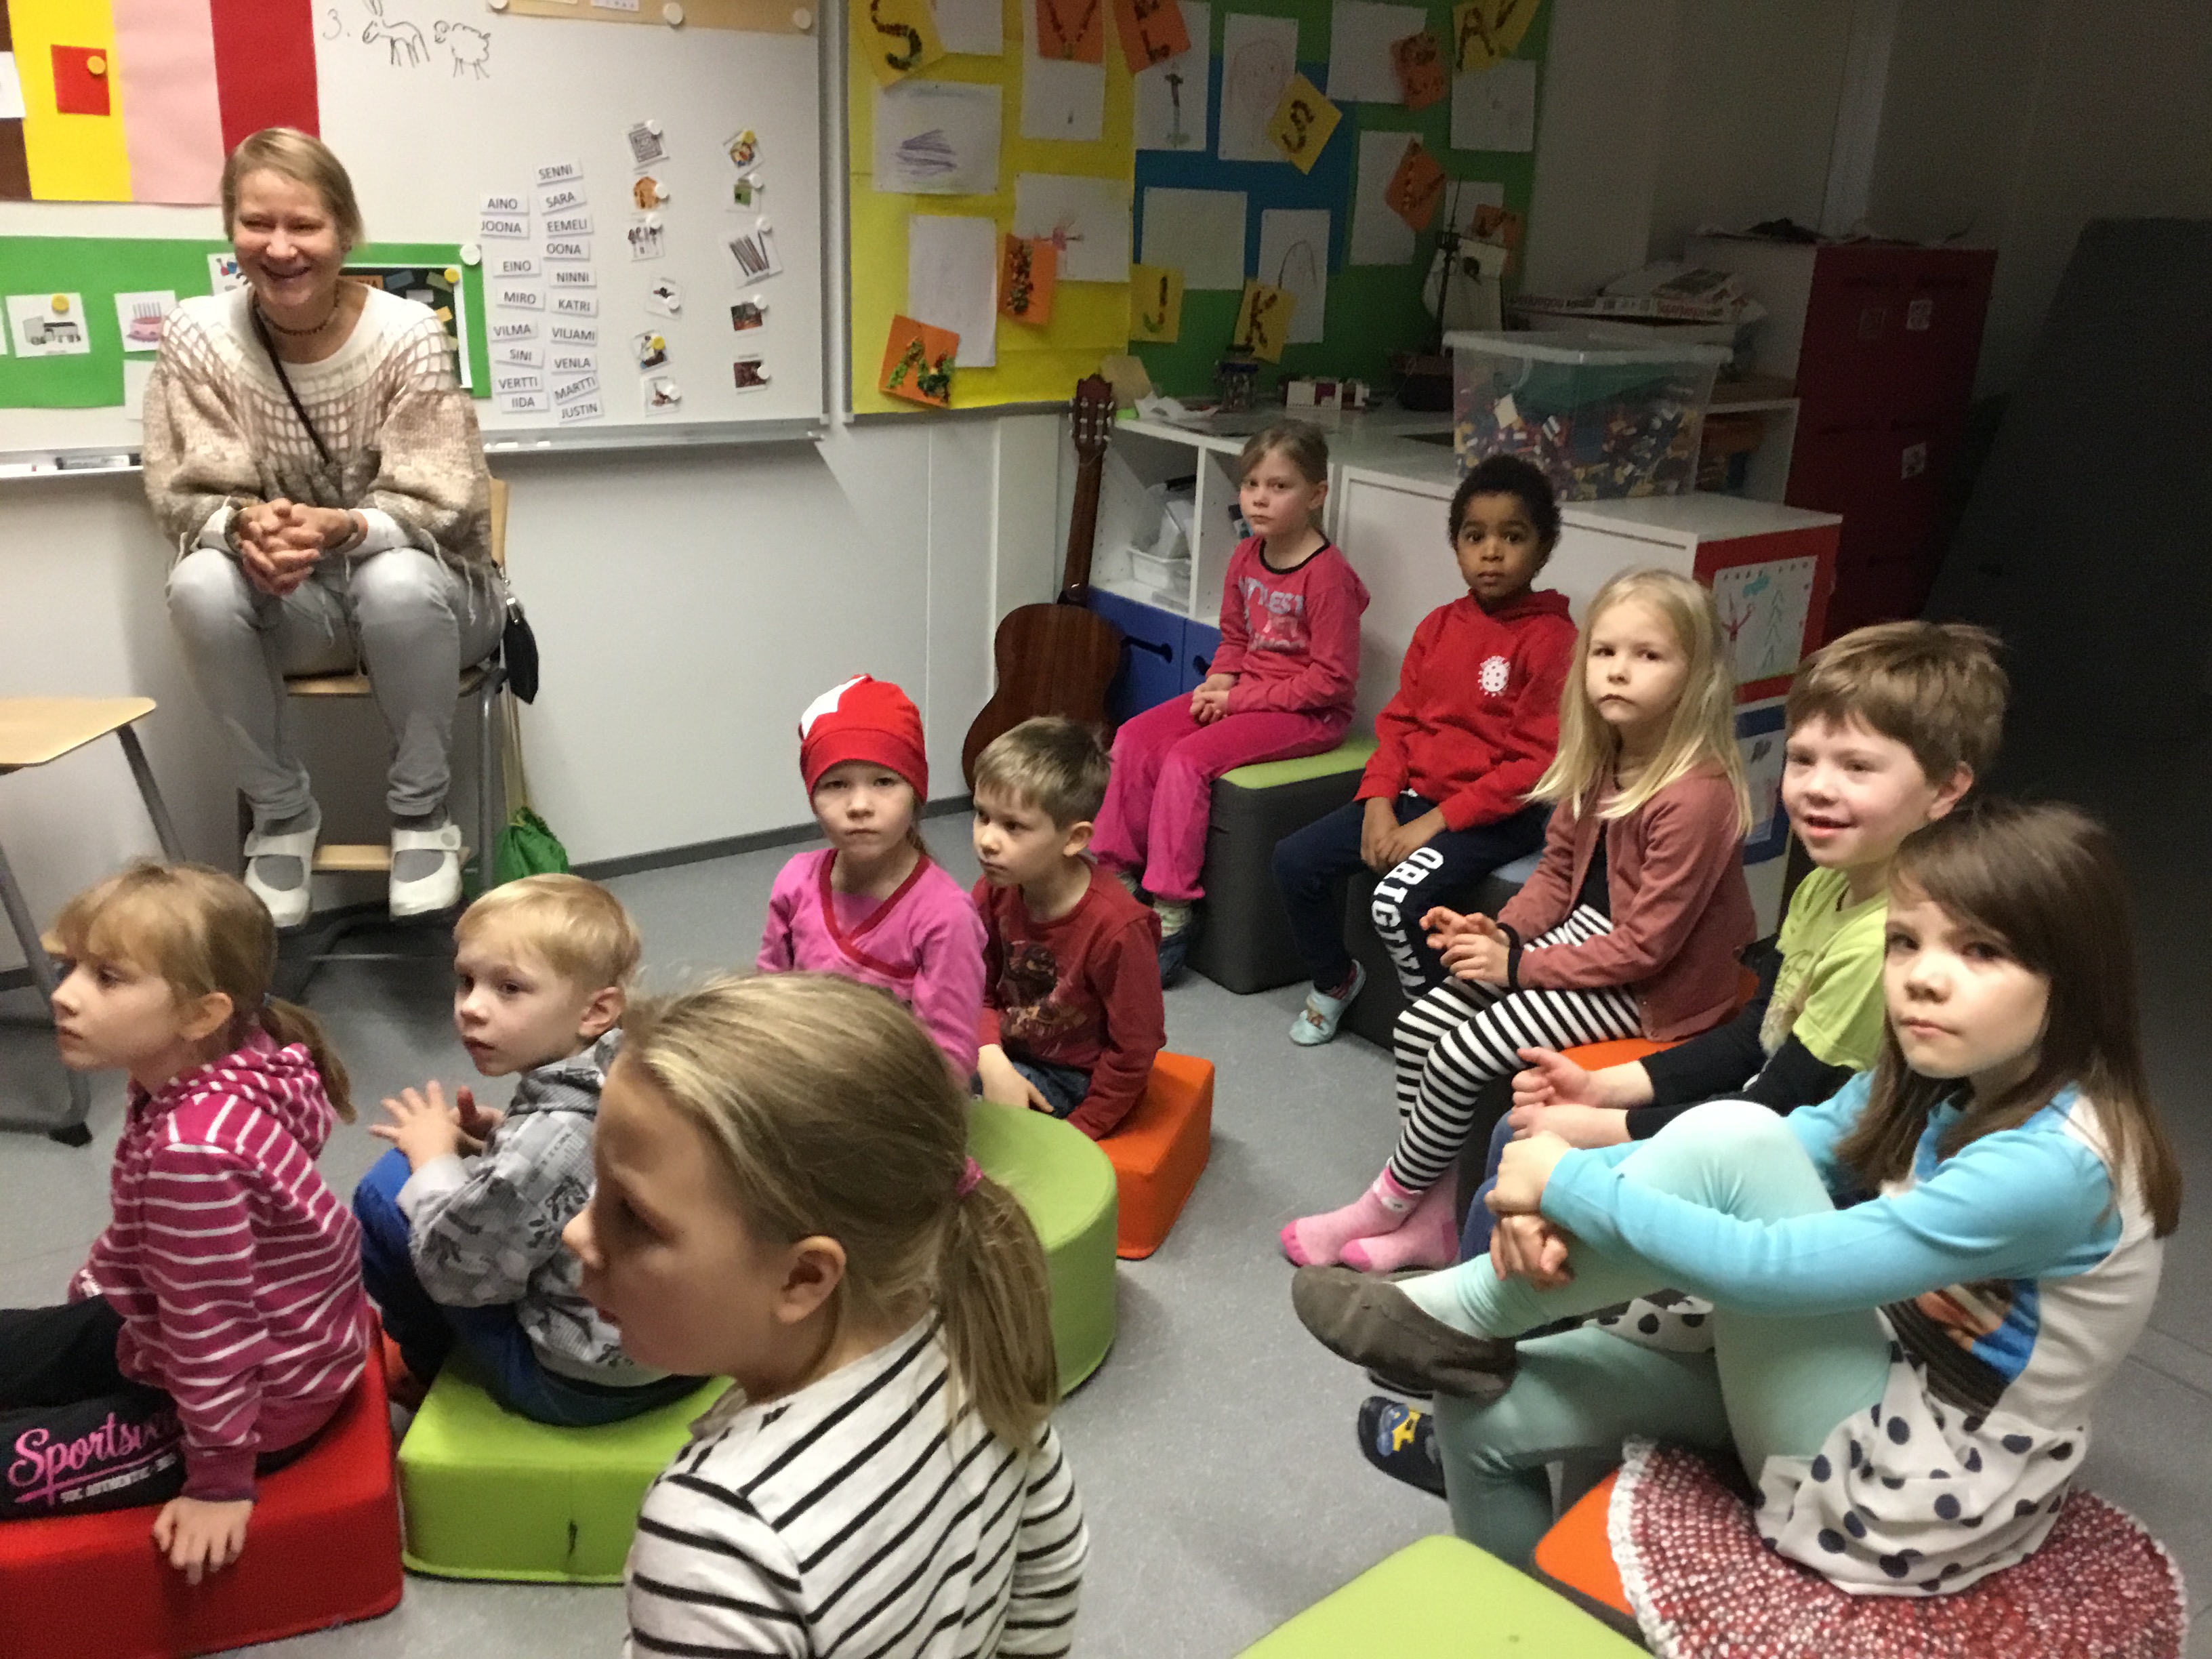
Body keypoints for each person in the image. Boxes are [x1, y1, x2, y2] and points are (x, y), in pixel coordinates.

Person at [1292, 800, 2182, 1599]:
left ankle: (1470, 1310)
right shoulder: (1936, 1076)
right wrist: (1552, 1197)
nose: (1923, 976)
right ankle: (1521, 1614)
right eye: (1906, 942)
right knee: (1480, 1407)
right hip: (1866, 1367)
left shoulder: (2059, 1166)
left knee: (1737, 1134)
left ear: (2073, 977)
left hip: (1913, 1479)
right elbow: (1800, 1143)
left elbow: (1777, 1269)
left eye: (1980, 951)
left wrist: (1566, 1183)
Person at [563, 973, 1088, 1656]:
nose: (577, 1232)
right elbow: (1050, 1555)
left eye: (634, 1216)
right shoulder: (973, 1329)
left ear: (804, 1277)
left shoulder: (720, 1536)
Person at [1283, 569, 1755, 1273]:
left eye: (1648, 655)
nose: (1618, 671)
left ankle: (1385, 1202)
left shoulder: (1696, 796)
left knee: (1460, 1054)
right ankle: (1433, 1217)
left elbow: (1646, 948)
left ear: (1697, 677)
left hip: (1651, 988)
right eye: (1605, 652)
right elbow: (1558, 874)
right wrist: (1502, 932)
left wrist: (1518, 966)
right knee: (1418, 1027)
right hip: (1589, 943)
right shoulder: (1599, 758)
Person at [146, 127, 503, 928]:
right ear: (231, 228)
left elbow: (444, 502)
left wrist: (342, 527)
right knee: (198, 582)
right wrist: (247, 528)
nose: (280, 248)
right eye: (256, 223)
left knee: (395, 580)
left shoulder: (409, 332)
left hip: (435, 599)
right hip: (293, 602)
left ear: (345, 232)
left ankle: (421, 812)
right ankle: (281, 815)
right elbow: (182, 490)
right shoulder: (196, 334)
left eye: (303, 225)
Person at [0, 864, 369, 1585]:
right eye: (72, 968)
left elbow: (214, 1329)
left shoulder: (194, 1153)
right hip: (210, 1336)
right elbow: (169, 1241)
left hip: (256, 1407)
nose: (64, 995)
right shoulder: (225, 1060)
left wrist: (220, 1481)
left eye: (107, 978)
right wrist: (108, 1279)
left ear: (202, 1014)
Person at [350, 874, 701, 1422]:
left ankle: (426, 1365)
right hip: (694, 1349)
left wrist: (433, 1158)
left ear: (595, 1011)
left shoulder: (542, 1141)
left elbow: (458, 1277)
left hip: (585, 1385)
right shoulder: (639, 1062)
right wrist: (503, 1135)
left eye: (509, 988)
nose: (471, 1008)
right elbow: (582, 1160)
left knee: (383, 1189)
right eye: (466, 981)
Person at [1273, 455, 1576, 1046]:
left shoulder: (1553, 640)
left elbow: (1533, 766)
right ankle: (1336, 979)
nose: (1492, 552)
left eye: (1513, 537)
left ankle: (1439, 1034)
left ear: (1543, 550)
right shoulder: (1438, 626)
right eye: (1475, 537)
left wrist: (1433, 824)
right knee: (1295, 860)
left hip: (1497, 820)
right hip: (1416, 799)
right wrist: (1379, 802)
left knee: (1394, 902)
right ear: (1457, 546)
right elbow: (1399, 725)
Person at [1090, 420, 1370, 985]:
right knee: (1134, 738)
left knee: (1187, 761)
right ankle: (1116, 874)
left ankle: (1172, 906)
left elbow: (1332, 683)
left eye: (1279, 486)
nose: (1260, 498)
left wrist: (1240, 699)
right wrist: (1219, 684)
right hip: (1246, 693)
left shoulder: (1328, 578)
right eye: (1251, 484)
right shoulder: (1245, 555)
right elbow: (1236, 637)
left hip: (1308, 714)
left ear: (1316, 495)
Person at [758, 674, 988, 1076]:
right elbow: (768, 995)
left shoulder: (945, 917)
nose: (860, 805)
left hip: (897, 1094)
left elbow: (949, 1056)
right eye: (836, 784)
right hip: (804, 1080)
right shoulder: (796, 881)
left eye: (884, 782)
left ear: (916, 793)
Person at [971, 717, 1166, 1140]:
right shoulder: (993, 891)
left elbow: (1135, 1047)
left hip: (1072, 1077)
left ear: (1074, 839)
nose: (987, 840)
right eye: (982, 816)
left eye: (1013, 826)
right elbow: (974, 989)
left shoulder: (1118, 927)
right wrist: (990, 1057)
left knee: (968, 1121)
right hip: (1002, 1047)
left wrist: (1081, 1132)